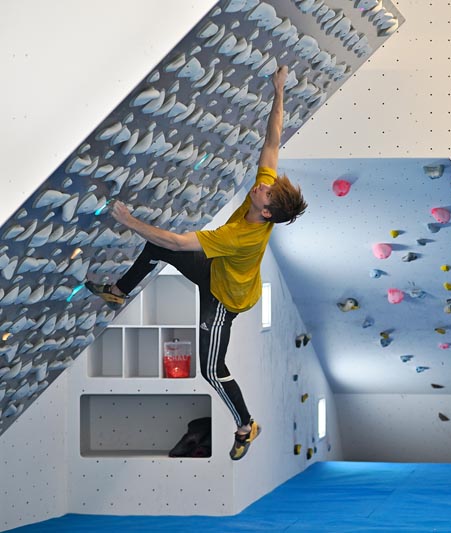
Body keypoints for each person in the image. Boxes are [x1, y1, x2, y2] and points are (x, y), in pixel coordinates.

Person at [85, 65, 307, 460]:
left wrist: (128, 220)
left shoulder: (239, 235)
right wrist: (279, 92)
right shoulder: (261, 198)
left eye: (268, 192)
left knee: (211, 369)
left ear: (268, 212)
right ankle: (118, 292)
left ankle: (245, 424)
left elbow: (175, 238)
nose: (263, 185)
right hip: (219, 270)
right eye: (267, 184)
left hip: (226, 299)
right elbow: (272, 144)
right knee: (159, 250)